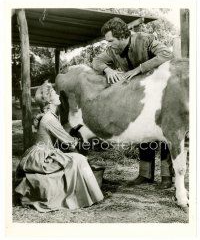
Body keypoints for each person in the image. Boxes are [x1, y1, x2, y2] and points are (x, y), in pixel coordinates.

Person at [92, 17, 174, 188]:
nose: (109, 44)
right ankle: (145, 175)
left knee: (164, 133)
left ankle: (167, 177)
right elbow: (96, 61)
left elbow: (167, 54)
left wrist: (140, 68)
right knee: (144, 133)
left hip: (161, 93)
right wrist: (107, 69)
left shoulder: (145, 39)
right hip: (139, 97)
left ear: (122, 36)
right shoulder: (112, 50)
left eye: (111, 40)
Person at [15, 81, 104, 212]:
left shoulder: (50, 116)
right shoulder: (50, 119)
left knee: (76, 158)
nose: (58, 95)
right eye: (54, 93)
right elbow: (69, 142)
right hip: (43, 158)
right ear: (49, 100)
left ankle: (88, 194)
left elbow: (65, 140)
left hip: (44, 153)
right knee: (79, 159)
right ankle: (85, 197)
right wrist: (82, 150)